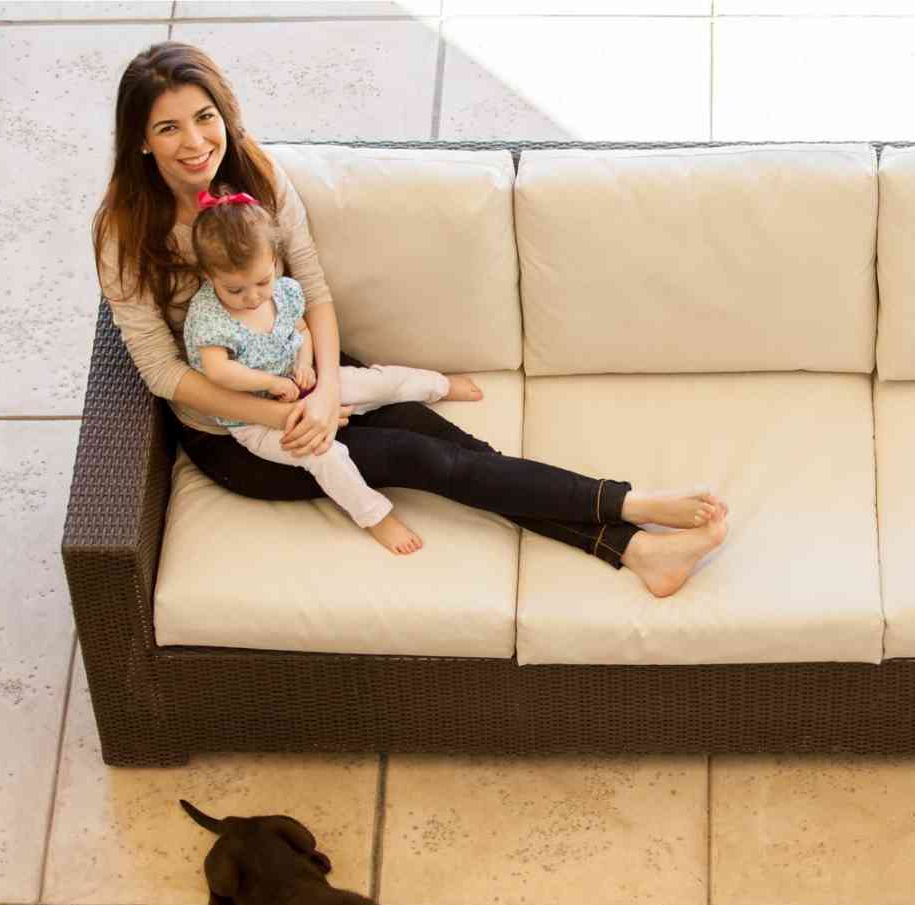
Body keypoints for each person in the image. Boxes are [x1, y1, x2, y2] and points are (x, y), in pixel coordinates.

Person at [92, 42, 728, 594]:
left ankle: (639, 551)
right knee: (427, 463)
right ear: (141, 142)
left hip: (308, 368)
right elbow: (158, 367)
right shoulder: (123, 231)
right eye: (169, 128)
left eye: (205, 117)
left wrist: (328, 389)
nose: (195, 141)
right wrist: (286, 414)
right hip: (237, 431)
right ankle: (632, 503)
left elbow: (312, 290)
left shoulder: (257, 179)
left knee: (457, 449)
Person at [183, 184, 457, 554]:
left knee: (378, 383)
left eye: (261, 282)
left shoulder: (282, 291)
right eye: (236, 290)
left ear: (274, 261)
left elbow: (301, 329)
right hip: (254, 420)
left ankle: (438, 386)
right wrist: (270, 383)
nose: (252, 297)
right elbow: (218, 372)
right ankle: (375, 516)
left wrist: (304, 364)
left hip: (301, 384)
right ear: (208, 276)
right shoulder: (208, 317)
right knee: (324, 455)